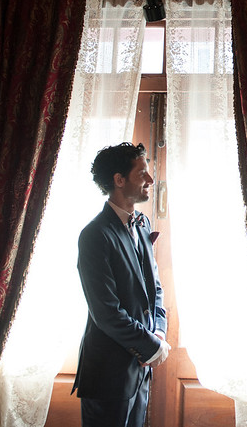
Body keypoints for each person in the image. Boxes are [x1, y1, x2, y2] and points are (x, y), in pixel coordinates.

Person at [73, 142, 170, 427]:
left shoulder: (142, 224)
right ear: (119, 180)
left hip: (140, 371)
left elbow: (155, 289)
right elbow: (106, 312)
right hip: (108, 374)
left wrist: (159, 333)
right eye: (142, 174)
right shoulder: (94, 235)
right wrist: (150, 346)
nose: (151, 181)